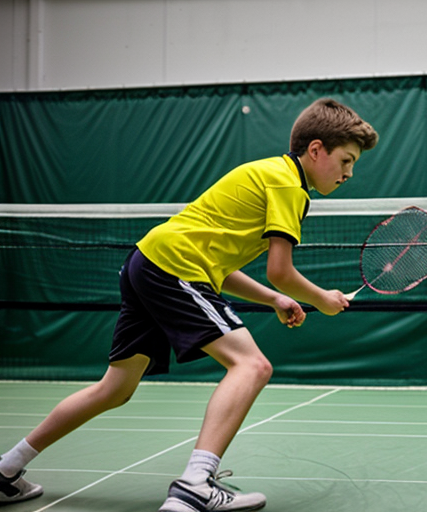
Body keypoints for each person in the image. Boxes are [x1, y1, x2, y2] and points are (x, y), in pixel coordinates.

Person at [0, 98, 378, 511]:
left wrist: (273, 299)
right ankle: (196, 483)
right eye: (346, 160)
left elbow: (216, 267)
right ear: (316, 149)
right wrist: (321, 299)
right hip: (173, 268)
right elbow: (280, 270)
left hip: (147, 262)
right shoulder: (289, 186)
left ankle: (5, 470)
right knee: (252, 365)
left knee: (114, 389)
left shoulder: (267, 173)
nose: (349, 173)